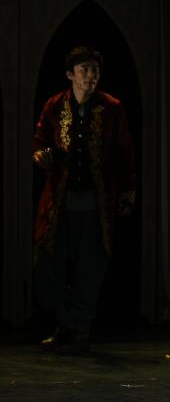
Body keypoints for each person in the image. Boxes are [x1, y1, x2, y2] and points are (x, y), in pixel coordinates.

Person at [32, 44, 135, 354]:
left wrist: (128, 191)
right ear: (70, 74)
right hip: (59, 202)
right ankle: (66, 323)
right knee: (50, 265)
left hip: (95, 204)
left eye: (95, 70)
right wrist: (43, 155)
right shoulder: (55, 106)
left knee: (89, 268)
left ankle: (79, 330)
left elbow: (125, 152)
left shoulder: (111, 108)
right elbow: (41, 140)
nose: (91, 76)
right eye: (84, 70)